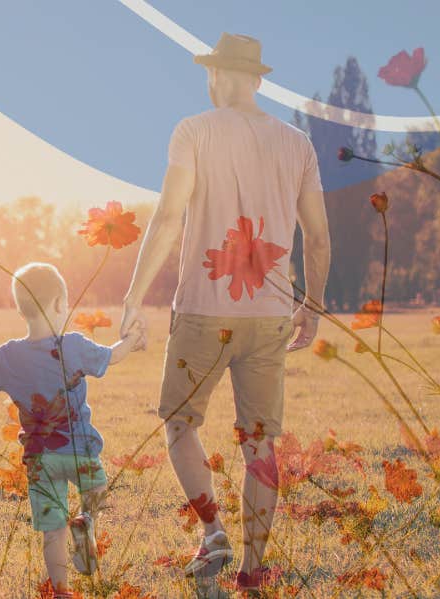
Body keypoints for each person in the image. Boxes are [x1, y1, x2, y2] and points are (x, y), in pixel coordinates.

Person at [118, 33, 331, 593]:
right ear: (257, 79)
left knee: (180, 422)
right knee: (259, 440)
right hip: (270, 314)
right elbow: (319, 238)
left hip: (203, 312)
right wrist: (314, 303)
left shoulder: (194, 130)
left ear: (216, 77)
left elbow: (167, 218)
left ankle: (212, 531)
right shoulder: (297, 144)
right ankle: (253, 567)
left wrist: (133, 297)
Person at [0, 263, 141, 598]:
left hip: (40, 459)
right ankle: (86, 520)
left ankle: (60, 591)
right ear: (60, 304)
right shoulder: (73, 345)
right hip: (80, 452)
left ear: (21, 309)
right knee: (97, 489)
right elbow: (112, 357)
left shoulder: (9, 355)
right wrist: (132, 339)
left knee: (52, 530)